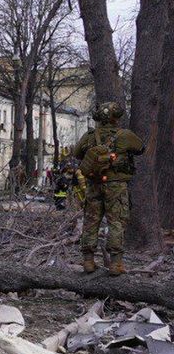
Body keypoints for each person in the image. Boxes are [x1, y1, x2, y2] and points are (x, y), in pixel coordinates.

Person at [74, 101, 144, 275]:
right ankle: (115, 264)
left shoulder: (90, 135)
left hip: (93, 184)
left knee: (91, 220)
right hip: (116, 185)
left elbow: (76, 154)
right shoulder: (125, 135)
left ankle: (88, 261)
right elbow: (141, 148)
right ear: (117, 117)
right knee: (116, 221)